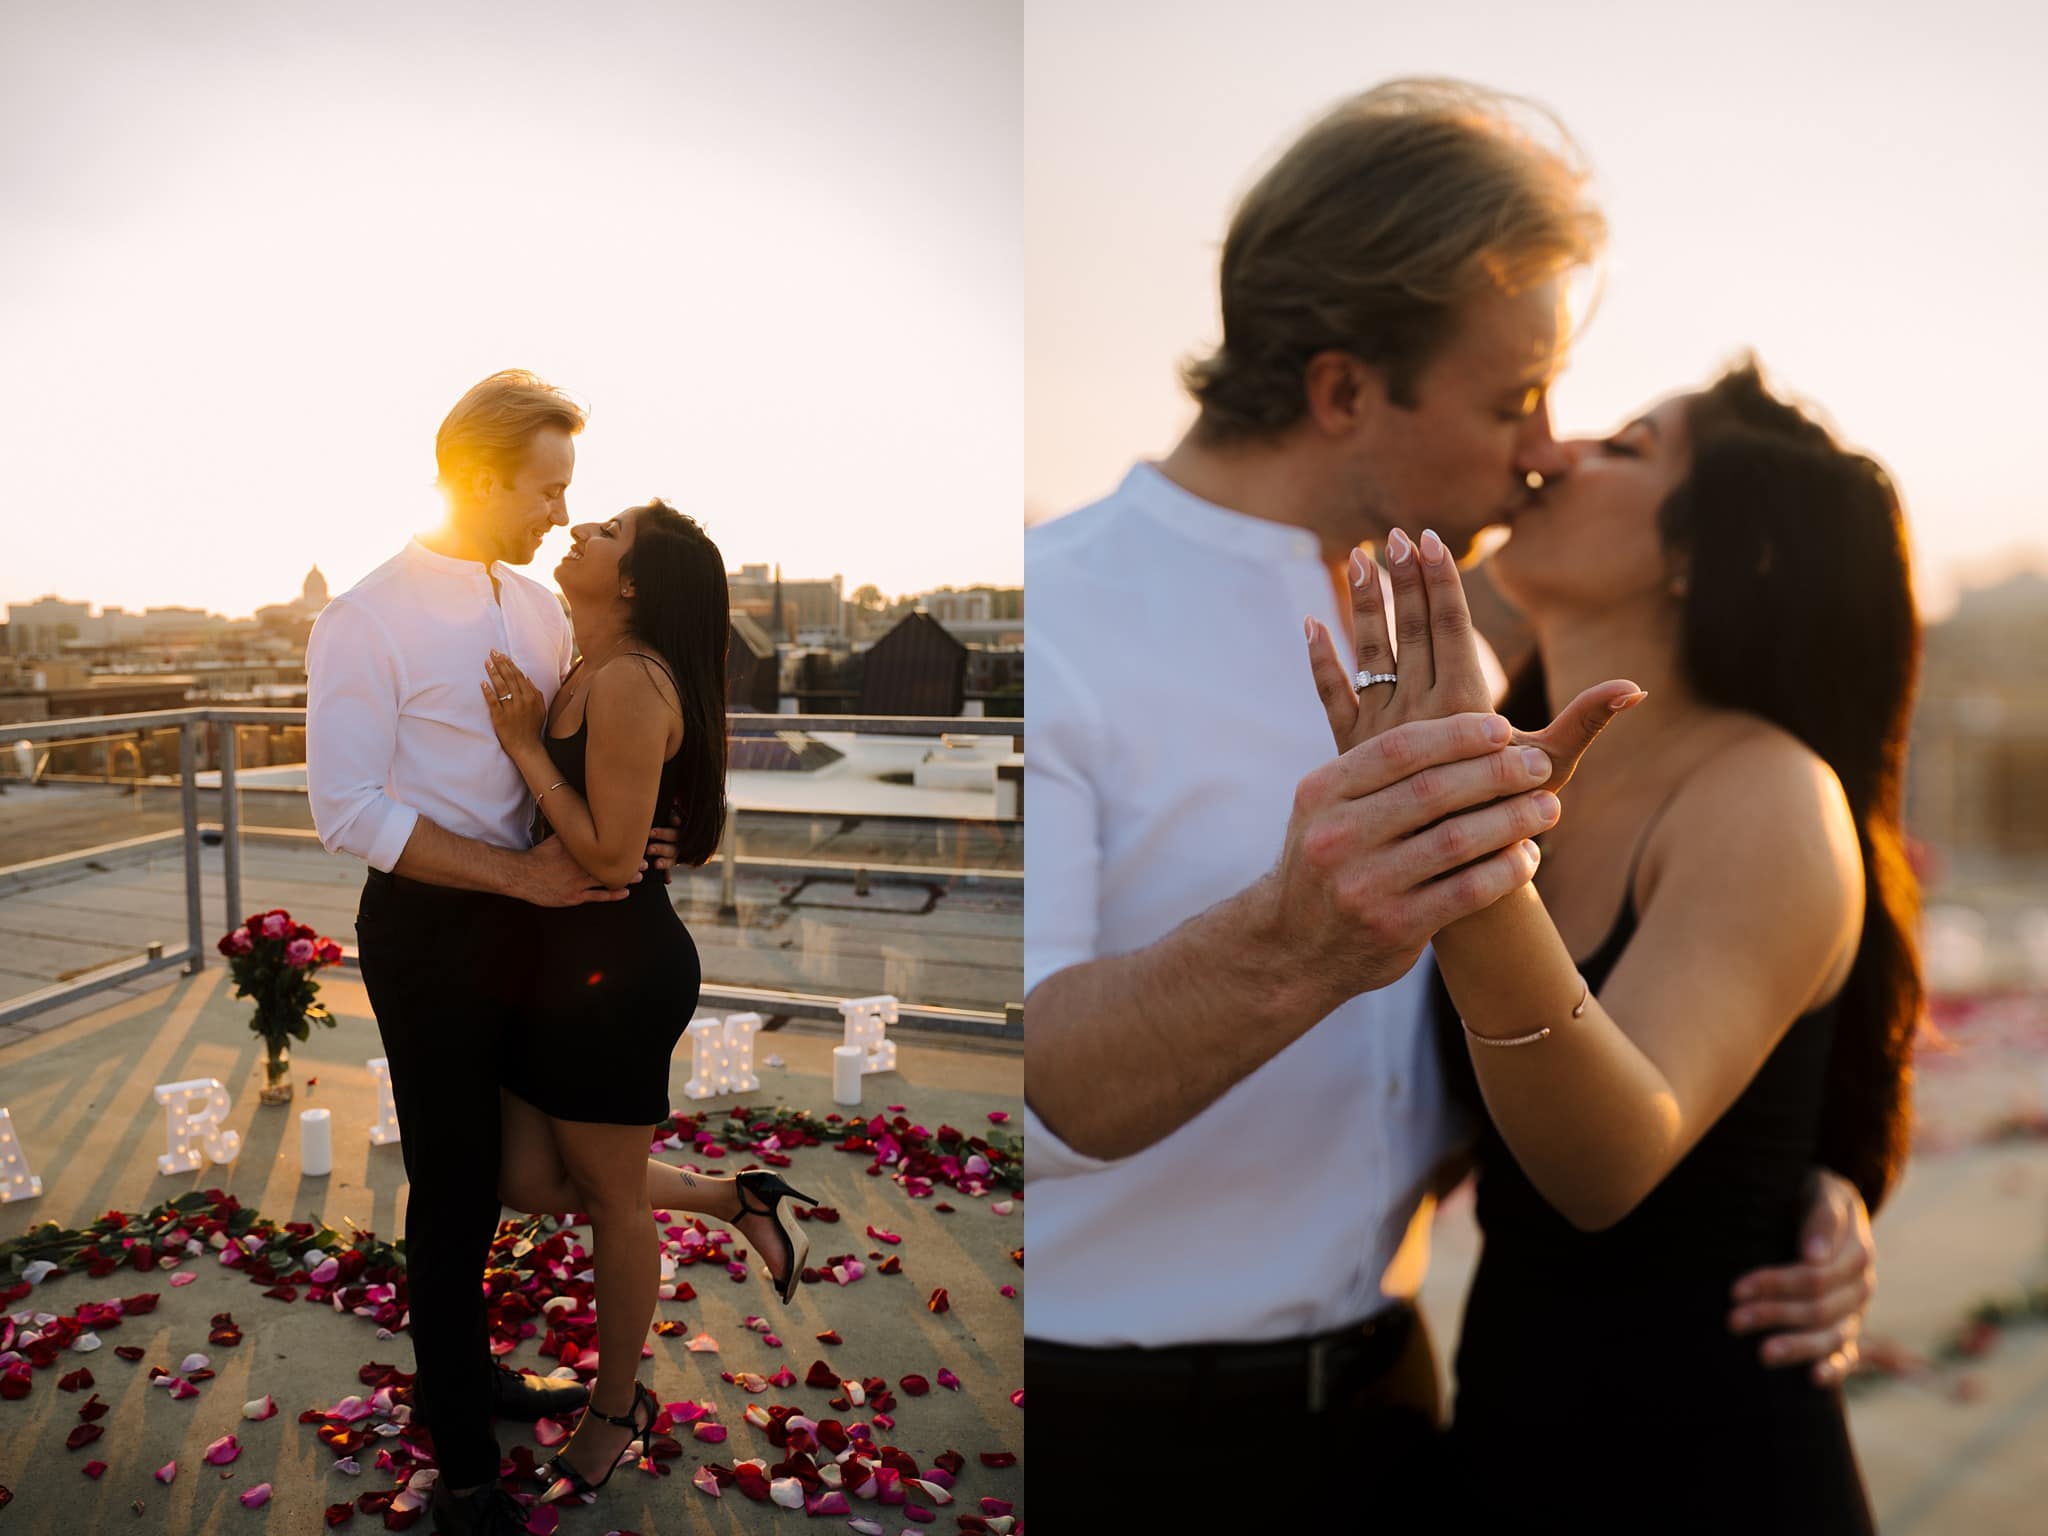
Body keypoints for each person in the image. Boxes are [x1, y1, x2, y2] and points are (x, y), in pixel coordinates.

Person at [1023, 81, 1878, 1528]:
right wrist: (1301, 932)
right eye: (1511, 398)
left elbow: (1672, 964)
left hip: (1408, 1428)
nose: (1547, 446)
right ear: (1347, 388)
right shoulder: (1057, 623)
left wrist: (1813, 1172)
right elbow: (1031, 1079)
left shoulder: (1460, 644)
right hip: (1114, 1446)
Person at [1303, 362, 1917, 1530]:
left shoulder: (1766, 792)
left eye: (1627, 446)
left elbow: (1602, 1168)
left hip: (1705, 1477)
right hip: (1502, 1444)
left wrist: (1458, 850)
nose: (1558, 450)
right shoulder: (1511, 743)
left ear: (1709, 550)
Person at [307, 371, 683, 1536]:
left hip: (546, 930)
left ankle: (474, 1376)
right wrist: (521, 873)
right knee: (457, 1197)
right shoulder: (361, 617)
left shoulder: (537, 605)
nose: (562, 514)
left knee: (528, 1178)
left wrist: (637, 834)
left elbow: (585, 755)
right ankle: (466, 1460)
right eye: (547, 488)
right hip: (428, 940)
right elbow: (346, 810)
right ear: (478, 478)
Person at [477, 499, 816, 1510]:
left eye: (608, 533)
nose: (581, 532)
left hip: (612, 972)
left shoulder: (626, 679)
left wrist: (521, 744)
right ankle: (731, 1197)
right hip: (564, 962)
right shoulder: (588, 664)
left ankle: (614, 1412)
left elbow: (615, 856)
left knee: (611, 1204)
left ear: (630, 583)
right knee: (534, 1181)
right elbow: (642, 820)